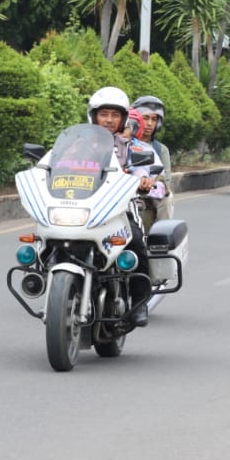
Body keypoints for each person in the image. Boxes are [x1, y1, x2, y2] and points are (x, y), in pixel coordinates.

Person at [87, 86, 152, 328]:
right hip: (84, 206)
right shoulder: (79, 143)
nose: (109, 120)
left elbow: (141, 169)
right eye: (103, 114)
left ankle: (139, 302)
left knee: (135, 241)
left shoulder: (129, 146)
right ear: (94, 116)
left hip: (118, 209)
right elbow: (55, 163)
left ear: (123, 119)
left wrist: (143, 179)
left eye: (115, 115)